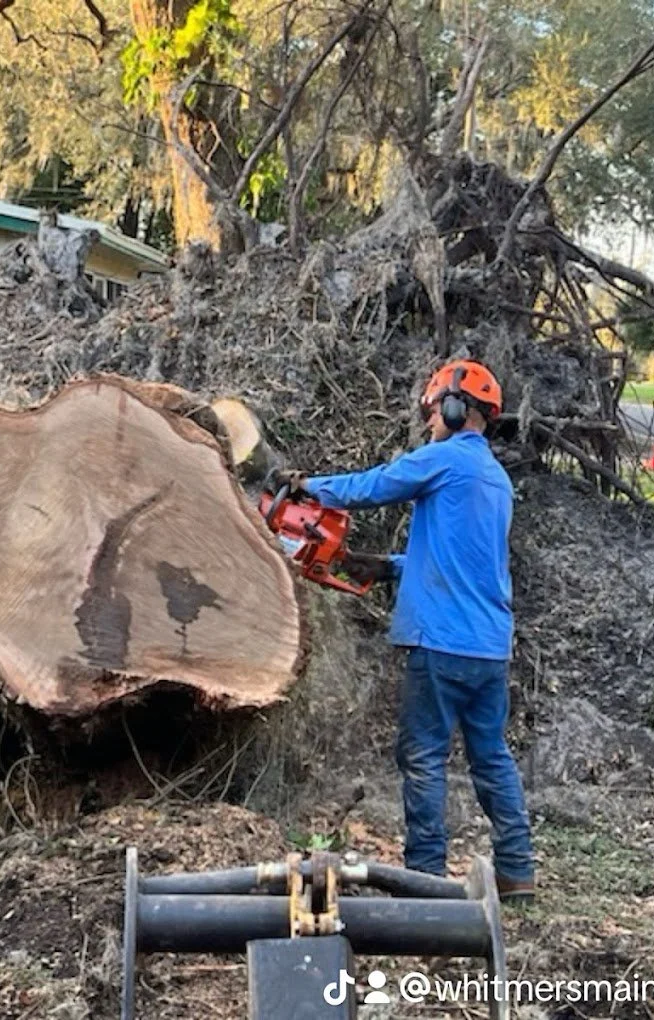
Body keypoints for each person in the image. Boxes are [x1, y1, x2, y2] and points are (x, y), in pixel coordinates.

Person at [274, 359, 535, 900]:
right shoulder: (496, 479)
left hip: (440, 643)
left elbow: (375, 486)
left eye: (435, 410)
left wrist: (308, 487)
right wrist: (389, 566)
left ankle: (423, 880)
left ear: (458, 408)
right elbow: (466, 559)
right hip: (489, 648)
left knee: (423, 756)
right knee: (491, 755)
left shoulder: (444, 460)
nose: (431, 421)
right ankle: (517, 871)